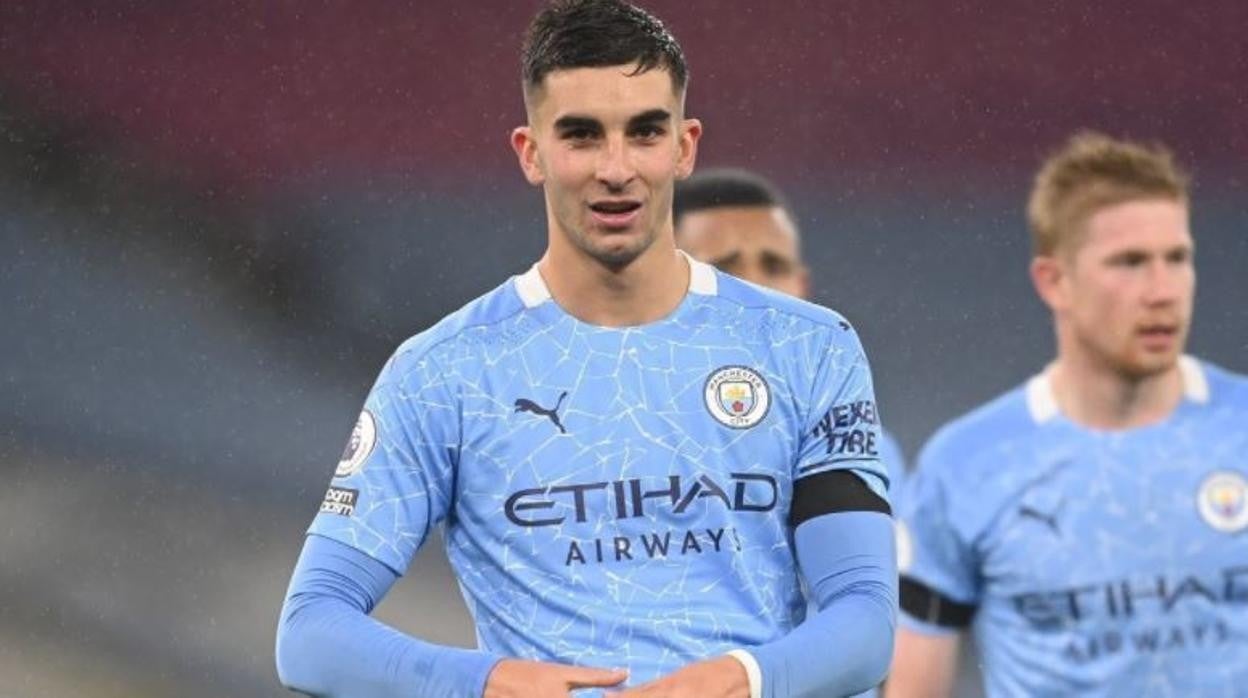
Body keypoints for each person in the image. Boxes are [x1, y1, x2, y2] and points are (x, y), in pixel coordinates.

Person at [275, 2, 897, 697]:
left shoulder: (807, 348)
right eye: (581, 135)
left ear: (685, 146)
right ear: (530, 152)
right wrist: (484, 683)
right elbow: (310, 632)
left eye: (645, 132)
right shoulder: (444, 372)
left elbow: (865, 623)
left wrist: (741, 681)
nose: (616, 168)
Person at [886, 132, 1248, 697]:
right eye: (1130, 262)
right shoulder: (968, 467)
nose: (1163, 291)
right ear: (1054, 281)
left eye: (1177, 258)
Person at [673, 168, 908, 497]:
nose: (755, 289)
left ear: (802, 286)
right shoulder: (624, 429)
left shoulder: (857, 444)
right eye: (723, 269)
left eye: (774, 267)